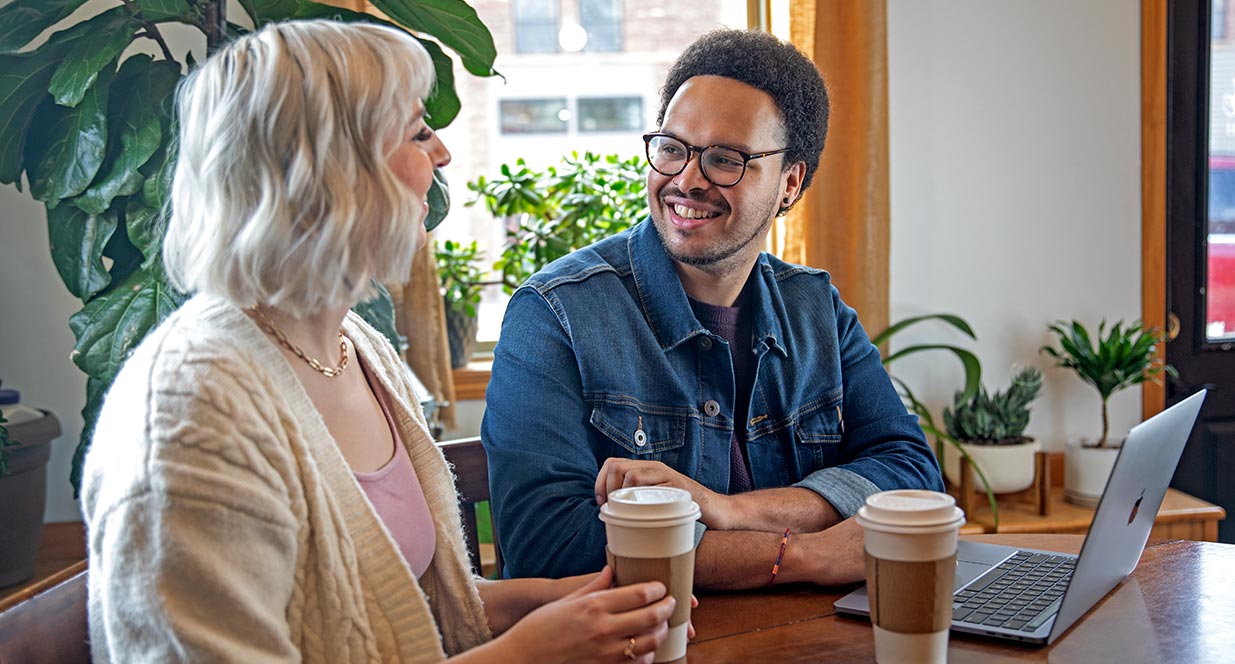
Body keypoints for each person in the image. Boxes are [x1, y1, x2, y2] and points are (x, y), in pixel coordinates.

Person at [80, 20, 681, 663]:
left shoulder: (357, 348)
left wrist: (573, 602)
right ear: (328, 169)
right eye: (419, 131)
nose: (443, 153)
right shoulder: (188, 413)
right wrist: (527, 654)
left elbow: (406, 615)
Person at [482, 29, 944, 590]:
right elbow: (549, 545)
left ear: (789, 183)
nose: (686, 180)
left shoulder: (816, 309)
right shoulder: (555, 314)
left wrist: (729, 510)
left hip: (800, 638)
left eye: (726, 159)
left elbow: (911, 474)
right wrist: (799, 556)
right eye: (673, 148)